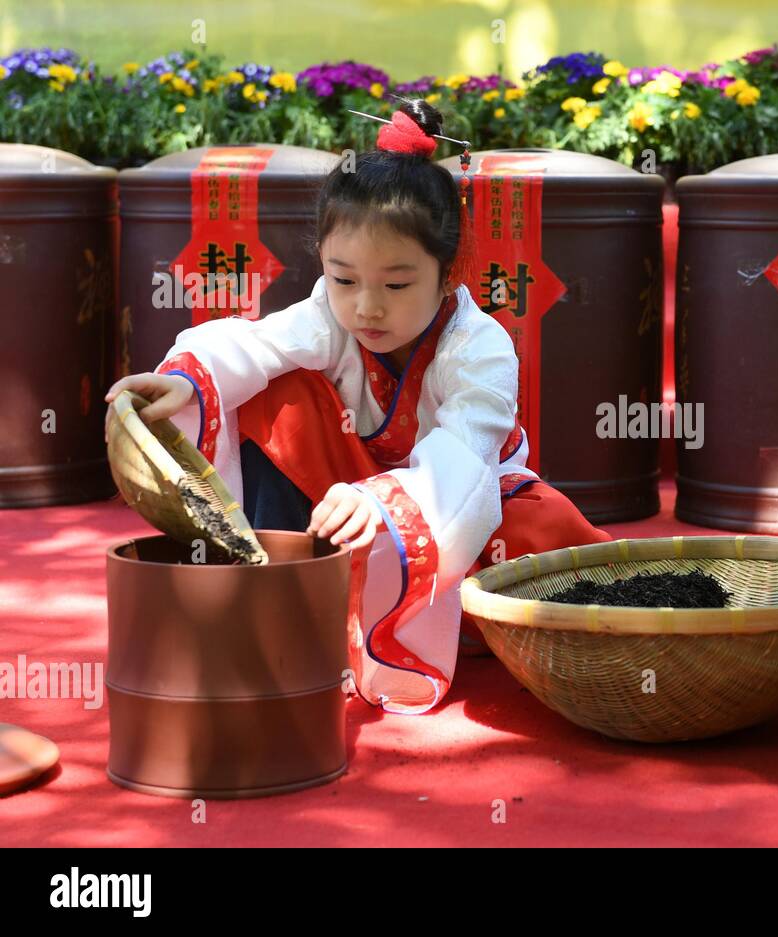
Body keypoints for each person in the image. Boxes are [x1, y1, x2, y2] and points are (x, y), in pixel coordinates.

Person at [105, 99, 611, 715]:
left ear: (448, 273)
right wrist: (189, 382)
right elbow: (260, 343)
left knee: (543, 533)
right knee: (273, 388)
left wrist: (382, 500)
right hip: (349, 496)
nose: (367, 307)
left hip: (458, 508)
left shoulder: (480, 348)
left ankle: (452, 617)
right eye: (344, 279)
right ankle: (279, 582)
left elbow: (463, 458)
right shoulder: (328, 316)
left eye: (396, 284)